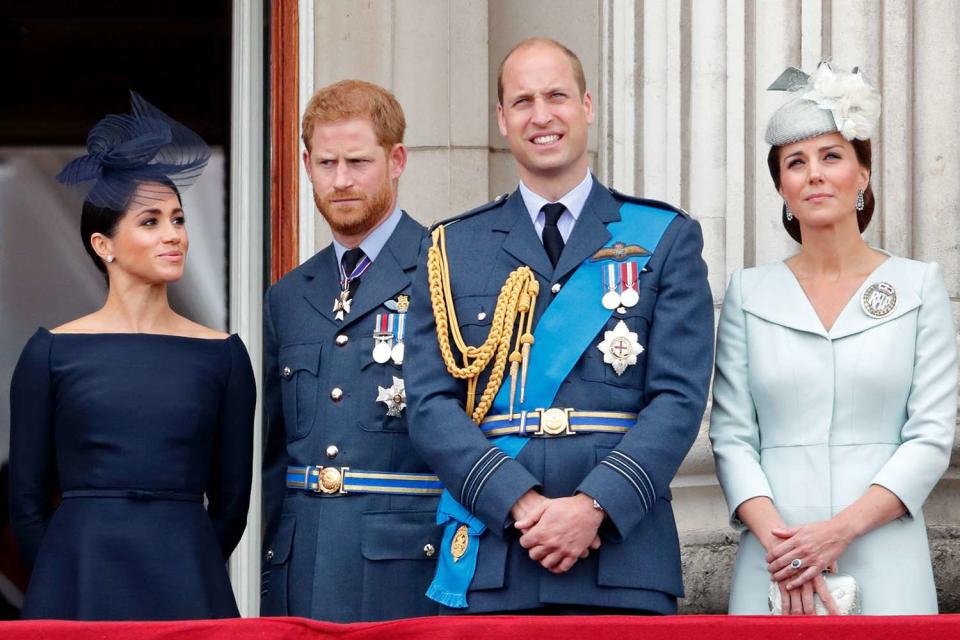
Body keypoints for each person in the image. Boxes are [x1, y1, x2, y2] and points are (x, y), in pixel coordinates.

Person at [404, 38, 714, 615]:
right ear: (501, 119)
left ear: (588, 105)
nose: (541, 115)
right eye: (522, 101)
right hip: (497, 552)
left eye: (556, 96)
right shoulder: (452, 247)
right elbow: (428, 404)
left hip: (622, 556)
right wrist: (519, 503)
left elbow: (678, 398)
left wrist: (594, 506)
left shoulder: (665, 237)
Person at [709, 62, 957, 615]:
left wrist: (837, 532)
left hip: (883, 550)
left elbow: (931, 436)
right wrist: (787, 546)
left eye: (832, 156)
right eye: (796, 162)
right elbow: (730, 436)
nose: (815, 174)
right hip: (775, 559)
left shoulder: (917, 286)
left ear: (862, 174)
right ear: (782, 187)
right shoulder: (749, 293)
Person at [8, 92, 256, 620]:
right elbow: (25, 501)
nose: (174, 236)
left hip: (188, 579)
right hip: (77, 580)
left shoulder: (225, 357)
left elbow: (233, 504)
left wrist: (190, 561)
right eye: (151, 222)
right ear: (105, 245)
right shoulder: (49, 352)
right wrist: (61, 572)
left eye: (178, 219)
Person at [260, 80, 442, 622]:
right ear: (306, 164)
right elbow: (275, 459)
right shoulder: (289, 295)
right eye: (326, 162)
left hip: (406, 570)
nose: (340, 181)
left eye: (358, 161)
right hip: (301, 569)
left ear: (396, 160)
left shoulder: (446, 270)